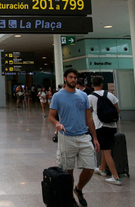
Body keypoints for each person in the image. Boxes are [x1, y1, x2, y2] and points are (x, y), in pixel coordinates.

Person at [48, 68, 100, 207]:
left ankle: (78, 189)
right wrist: (57, 123)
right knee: (68, 170)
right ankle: (70, 196)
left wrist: (94, 138)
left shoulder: (83, 96)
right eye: (70, 77)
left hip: (83, 136)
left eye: (75, 78)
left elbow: (88, 118)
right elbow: (51, 116)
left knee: (90, 168)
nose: (73, 80)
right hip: (66, 137)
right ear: (65, 79)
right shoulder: (57, 96)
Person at [88, 77, 122, 186]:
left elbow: (87, 114)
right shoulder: (110, 95)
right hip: (112, 126)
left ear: (92, 85)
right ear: (102, 85)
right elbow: (117, 111)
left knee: (106, 151)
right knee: (105, 148)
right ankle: (102, 168)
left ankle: (116, 177)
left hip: (100, 126)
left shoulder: (90, 97)